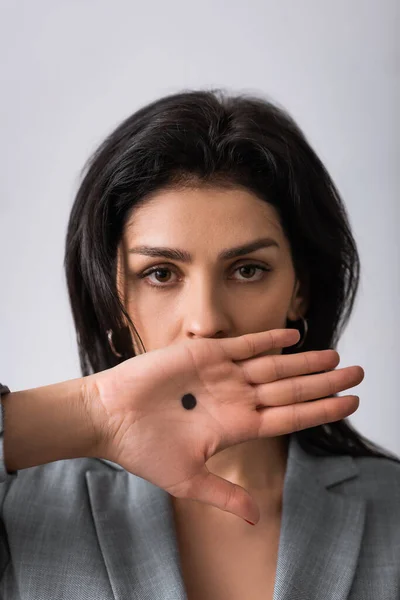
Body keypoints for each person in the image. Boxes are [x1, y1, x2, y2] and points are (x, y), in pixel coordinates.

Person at [0, 88, 398, 600]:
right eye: (161, 273)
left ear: (300, 289)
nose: (207, 322)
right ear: (110, 297)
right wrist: (94, 414)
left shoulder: (392, 510)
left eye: (248, 270)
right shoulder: (22, 509)